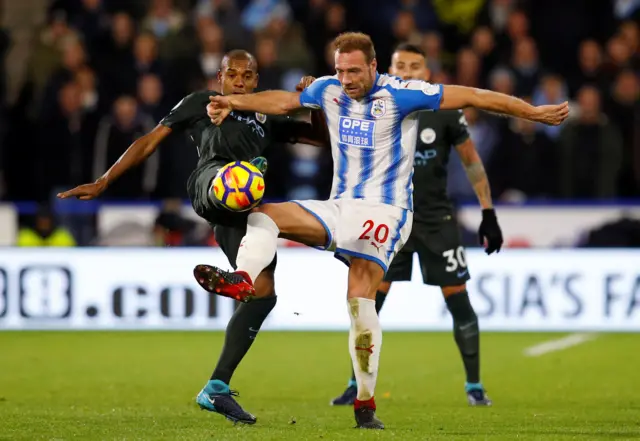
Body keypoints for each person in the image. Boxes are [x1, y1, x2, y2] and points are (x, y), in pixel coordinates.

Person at [203, 32, 568, 429]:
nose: (346, 79)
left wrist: (532, 112)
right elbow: (281, 101)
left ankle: (364, 404)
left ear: (374, 66)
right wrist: (232, 101)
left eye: (355, 70)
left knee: (361, 303)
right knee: (263, 214)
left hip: (387, 212)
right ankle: (243, 279)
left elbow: (475, 96)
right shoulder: (328, 88)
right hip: (340, 207)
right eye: (340, 70)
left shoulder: (402, 94)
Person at [56, 50, 326, 425]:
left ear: (256, 80)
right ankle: (244, 177)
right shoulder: (202, 102)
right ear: (220, 77)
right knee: (244, 179)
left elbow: (319, 138)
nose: (240, 81)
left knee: (263, 292)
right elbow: (149, 141)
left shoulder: (267, 113)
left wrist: (315, 103)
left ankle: (215, 387)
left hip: (241, 214)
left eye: (248, 76)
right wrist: (104, 181)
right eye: (232, 74)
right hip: (209, 183)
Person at [330, 43, 502, 408]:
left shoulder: (445, 113)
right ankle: (354, 384)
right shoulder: (371, 106)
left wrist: (488, 211)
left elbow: (471, 162)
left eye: (415, 67)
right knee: (368, 302)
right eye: (400, 66)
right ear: (387, 70)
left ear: (427, 74)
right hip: (389, 221)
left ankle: (474, 385)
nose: (407, 72)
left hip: (434, 220)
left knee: (458, 300)